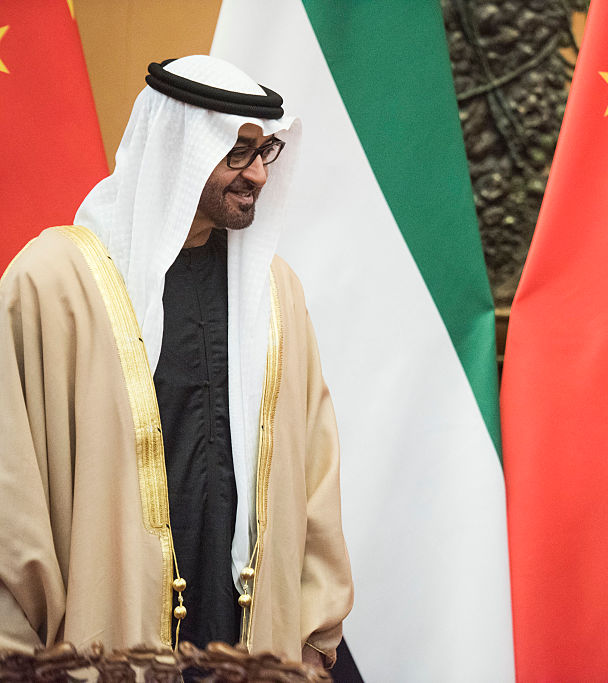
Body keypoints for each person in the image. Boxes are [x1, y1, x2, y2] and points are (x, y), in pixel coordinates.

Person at [0, 56, 353, 669]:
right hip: (103, 635)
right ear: (179, 147)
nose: (259, 177)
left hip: (244, 637)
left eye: (264, 150)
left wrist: (313, 635)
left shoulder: (274, 292)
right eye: (235, 152)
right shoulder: (53, 284)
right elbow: (12, 492)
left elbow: (316, 473)